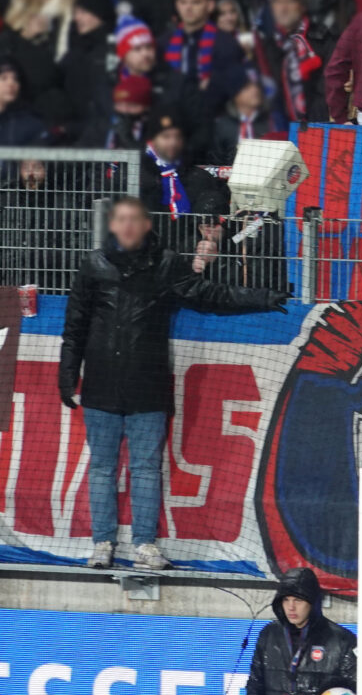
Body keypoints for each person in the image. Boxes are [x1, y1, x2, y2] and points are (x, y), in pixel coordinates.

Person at [58, 196, 286, 570]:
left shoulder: (167, 266)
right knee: (102, 467)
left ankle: (144, 545)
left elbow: (212, 295)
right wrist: (68, 375)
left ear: (148, 225)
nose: (128, 226)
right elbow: (75, 326)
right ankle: (103, 544)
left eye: (135, 219)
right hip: (100, 385)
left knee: (145, 469)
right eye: (121, 220)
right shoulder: (93, 265)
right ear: (112, 226)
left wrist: (262, 297)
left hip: (148, 385)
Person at [236, 567, 357, 695]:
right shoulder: (268, 636)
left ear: (313, 602)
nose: (291, 607)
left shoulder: (341, 641)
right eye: (286, 600)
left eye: (298, 601)